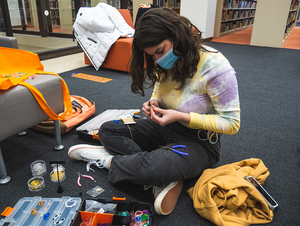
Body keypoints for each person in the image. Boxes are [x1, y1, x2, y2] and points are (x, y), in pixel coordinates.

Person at [68, 8, 240, 215]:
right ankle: (160, 172)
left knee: (155, 168)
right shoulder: (165, 61)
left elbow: (232, 124)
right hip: (164, 125)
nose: (157, 60)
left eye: (160, 51)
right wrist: (152, 104)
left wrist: (180, 116)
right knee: (107, 130)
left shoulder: (215, 66)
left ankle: (109, 161)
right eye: (152, 56)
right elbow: (159, 89)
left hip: (199, 142)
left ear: (176, 36)